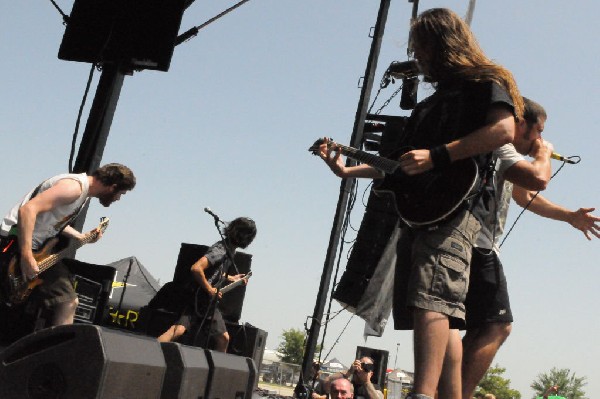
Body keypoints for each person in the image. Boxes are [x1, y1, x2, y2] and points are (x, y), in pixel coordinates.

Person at [319, 8, 522, 399]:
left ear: (441, 43)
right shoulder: (429, 104)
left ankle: (422, 395)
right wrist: (346, 170)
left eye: (421, 47)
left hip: (456, 210)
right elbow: (396, 167)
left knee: (431, 299)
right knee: (434, 309)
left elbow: (503, 129)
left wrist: (439, 155)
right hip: (419, 213)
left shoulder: (483, 82)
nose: (418, 56)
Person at [460, 99, 600, 399]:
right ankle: (456, 394)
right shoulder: (501, 146)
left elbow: (525, 196)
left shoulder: (506, 155)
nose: (540, 138)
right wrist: (543, 154)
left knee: (479, 327)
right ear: (520, 124)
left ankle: (447, 391)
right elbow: (540, 178)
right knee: (499, 325)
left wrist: (570, 217)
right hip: (478, 244)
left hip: (476, 244)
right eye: (538, 131)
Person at [0, 163, 136, 327]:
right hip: (15, 244)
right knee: (68, 302)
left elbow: (53, 221)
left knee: (68, 301)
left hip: (37, 251)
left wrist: (81, 236)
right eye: (121, 193)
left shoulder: (83, 195)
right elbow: (28, 210)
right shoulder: (74, 187)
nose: (118, 199)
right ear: (112, 187)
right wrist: (26, 255)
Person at [157, 217, 257, 352]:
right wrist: (210, 289)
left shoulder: (229, 249)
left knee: (223, 338)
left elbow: (214, 272)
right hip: (199, 298)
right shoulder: (221, 249)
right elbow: (196, 268)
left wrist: (231, 278)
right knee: (178, 331)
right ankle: (149, 352)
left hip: (208, 301)